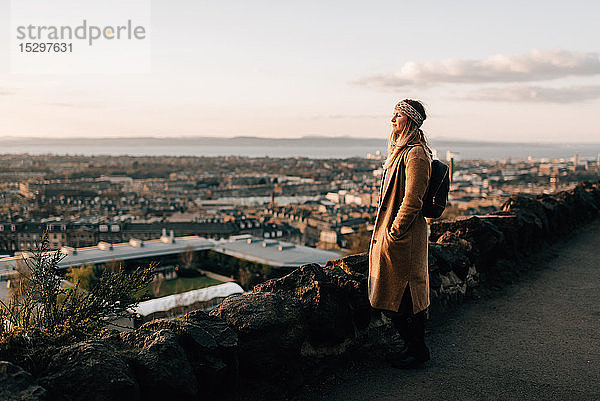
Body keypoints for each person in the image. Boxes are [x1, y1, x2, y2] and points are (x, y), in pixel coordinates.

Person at [368, 99, 433, 369]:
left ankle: (416, 351)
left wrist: (395, 232)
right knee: (397, 298)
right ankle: (413, 348)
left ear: (411, 120)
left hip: (404, 238)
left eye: (398, 116)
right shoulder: (401, 150)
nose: (392, 120)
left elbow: (413, 200)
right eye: (392, 114)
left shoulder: (415, 153)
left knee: (405, 298)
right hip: (398, 237)